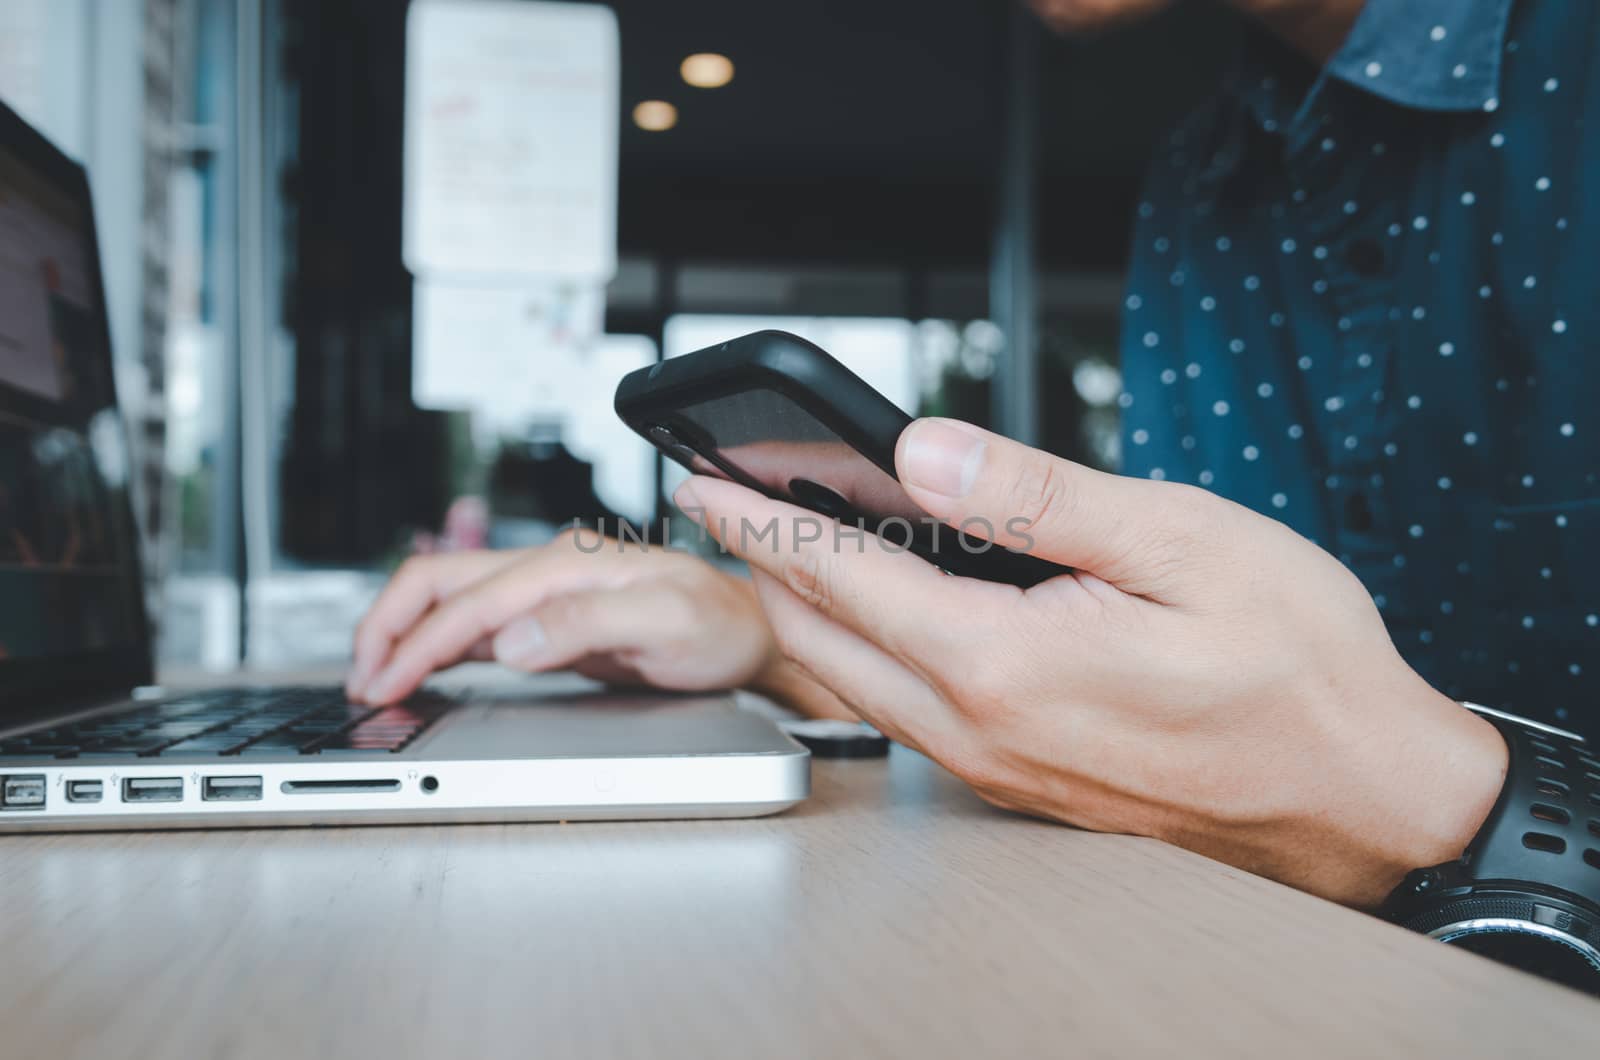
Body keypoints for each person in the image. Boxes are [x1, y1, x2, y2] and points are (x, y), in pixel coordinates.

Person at [346, 0, 1597, 914]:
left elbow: (1323, 765)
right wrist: (763, 625)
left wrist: (1447, 811)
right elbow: (1180, 715)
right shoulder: (1209, 176)